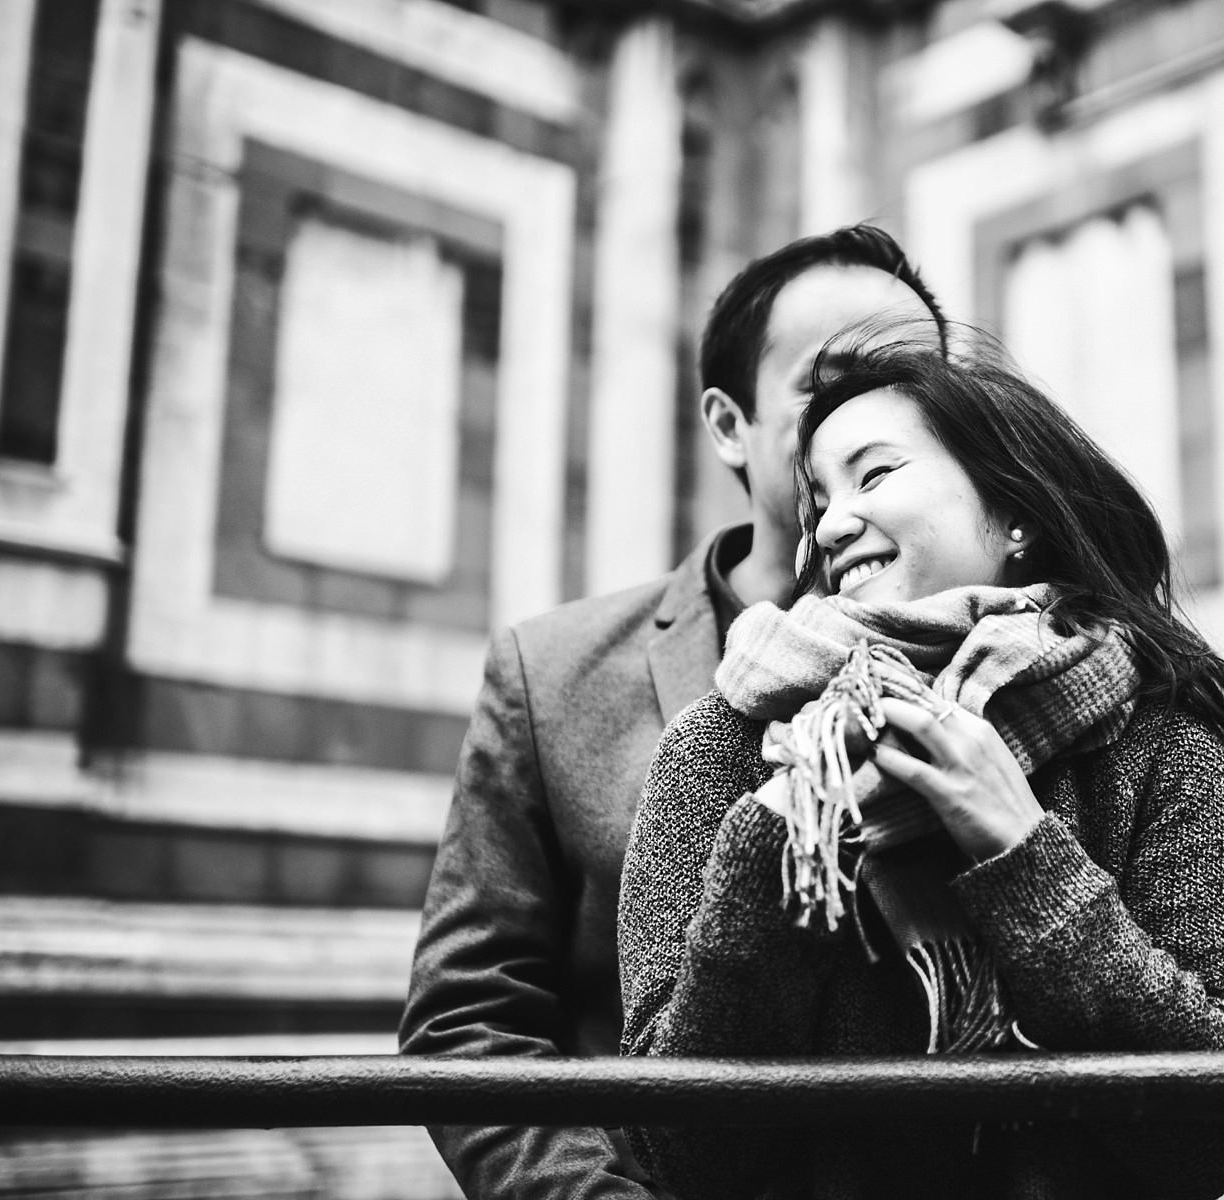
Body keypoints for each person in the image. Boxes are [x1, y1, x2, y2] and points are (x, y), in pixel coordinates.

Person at [617, 328, 1224, 1199]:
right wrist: (785, 841)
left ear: (1016, 515)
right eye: (819, 500)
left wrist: (1023, 854)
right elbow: (680, 1155)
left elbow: (1206, 1143)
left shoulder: (1159, 743)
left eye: (874, 475)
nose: (832, 524)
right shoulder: (725, 744)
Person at [399, 228, 946, 1199]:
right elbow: (471, 1021)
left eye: (920, 382)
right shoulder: (552, 673)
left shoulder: (1017, 654)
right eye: (833, 384)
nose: (881, 414)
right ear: (730, 425)